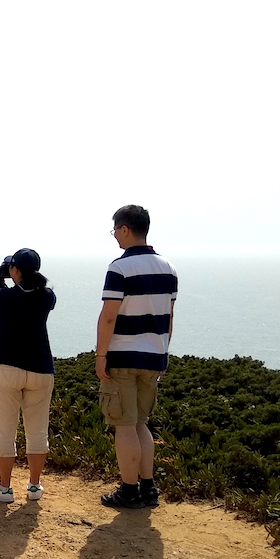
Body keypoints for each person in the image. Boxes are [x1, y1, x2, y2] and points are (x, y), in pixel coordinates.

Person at [95, 204, 179, 509]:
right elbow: (169, 316)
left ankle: (129, 491)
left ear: (125, 229)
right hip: (154, 356)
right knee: (142, 421)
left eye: (115, 229)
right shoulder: (168, 267)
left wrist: (101, 355)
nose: (115, 236)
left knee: (125, 424)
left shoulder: (119, 268)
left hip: (124, 356)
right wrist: (163, 352)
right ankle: (148, 488)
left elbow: (108, 317)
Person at [0, 248, 56, 504]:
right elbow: (33, 293)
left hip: (7, 368)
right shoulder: (48, 297)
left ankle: (5, 489)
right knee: (38, 430)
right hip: (41, 369)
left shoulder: (3, 297)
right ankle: (34, 486)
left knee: (5, 430)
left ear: (14, 271)